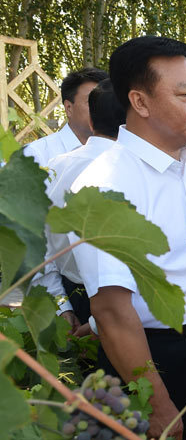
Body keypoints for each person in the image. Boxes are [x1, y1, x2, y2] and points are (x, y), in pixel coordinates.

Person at [69, 36, 186, 440]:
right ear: (140, 103)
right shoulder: (105, 184)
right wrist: (158, 407)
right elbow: (111, 312)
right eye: (184, 94)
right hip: (156, 362)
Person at [36, 78, 125, 335]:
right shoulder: (131, 169)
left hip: (72, 297)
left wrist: (62, 305)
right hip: (121, 303)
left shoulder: (56, 166)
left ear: (93, 121)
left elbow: (38, 243)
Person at [24, 67, 109, 167]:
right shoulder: (35, 155)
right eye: (92, 101)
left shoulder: (117, 151)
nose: (101, 107)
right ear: (69, 108)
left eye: (105, 101)